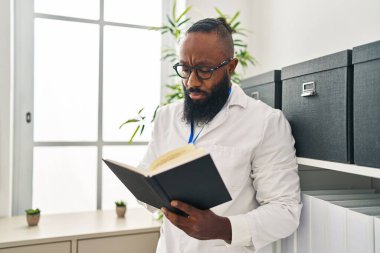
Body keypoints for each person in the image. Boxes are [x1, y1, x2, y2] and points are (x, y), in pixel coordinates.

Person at [138, 17, 302, 253]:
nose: (191, 82)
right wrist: (147, 192)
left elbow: (286, 212)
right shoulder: (166, 116)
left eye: (204, 70)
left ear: (231, 67)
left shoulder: (265, 122)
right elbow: (147, 177)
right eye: (185, 69)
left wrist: (223, 228)